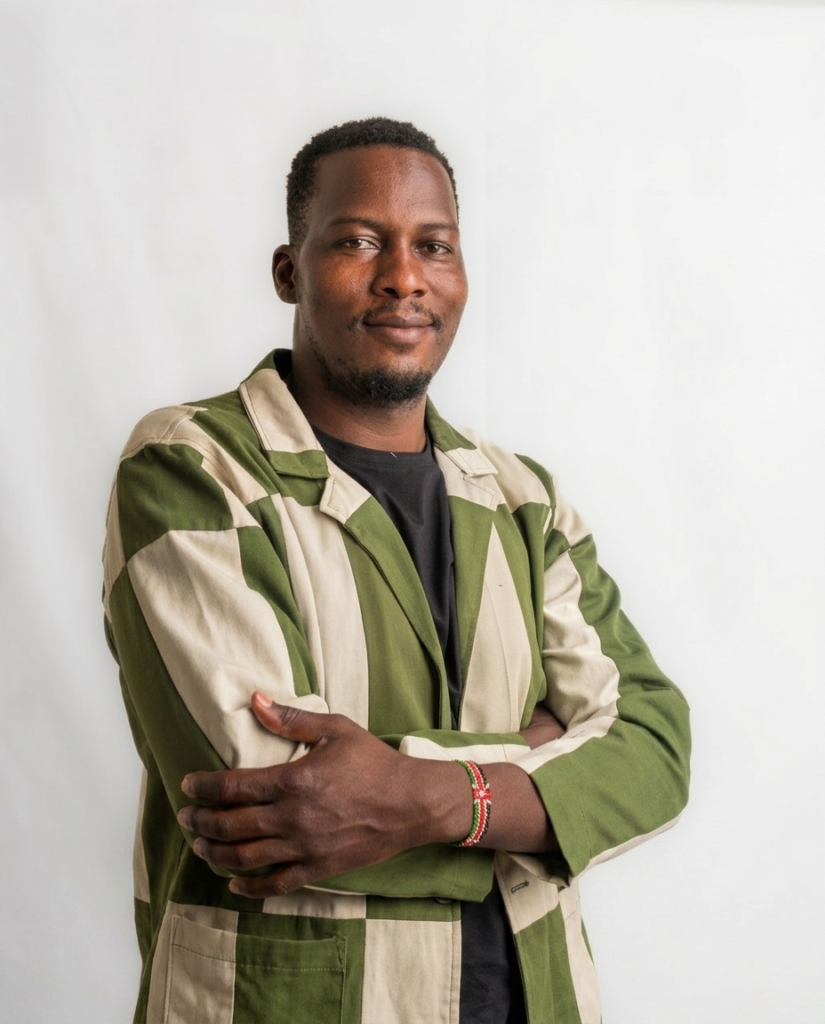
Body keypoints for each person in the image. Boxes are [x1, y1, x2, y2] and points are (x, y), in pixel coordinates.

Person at [103, 116, 690, 1024]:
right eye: (358, 241)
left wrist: (422, 796)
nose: (404, 276)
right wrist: (537, 766)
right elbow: (272, 795)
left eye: (434, 246)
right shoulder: (192, 467)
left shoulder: (521, 499)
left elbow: (652, 748)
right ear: (288, 272)